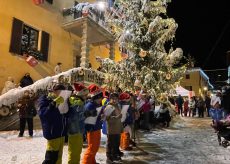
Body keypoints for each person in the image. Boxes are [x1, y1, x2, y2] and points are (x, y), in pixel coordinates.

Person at [38, 84, 68, 164]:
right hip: (52, 133)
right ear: (54, 91)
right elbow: (43, 114)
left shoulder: (62, 100)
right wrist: (53, 104)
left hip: (61, 133)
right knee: (51, 159)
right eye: (60, 92)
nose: (62, 94)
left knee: (58, 157)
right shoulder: (45, 99)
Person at [67, 83, 89, 164]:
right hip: (75, 130)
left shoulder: (78, 101)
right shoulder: (77, 102)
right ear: (81, 94)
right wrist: (86, 114)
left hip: (77, 130)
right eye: (85, 94)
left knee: (76, 152)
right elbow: (75, 117)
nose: (86, 96)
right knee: (74, 152)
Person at [82, 84, 104, 164]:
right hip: (92, 129)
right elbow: (85, 118)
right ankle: (86, 162)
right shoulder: (89, 105)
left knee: (95, 147)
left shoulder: (97, 104)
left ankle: (91, 161)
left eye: (101, 98)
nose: (101, 99)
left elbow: (97, 116)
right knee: (92, 147)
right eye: (99, 98)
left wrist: (102, 116)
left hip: (97, 127)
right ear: (95, 97)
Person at [104, 93, 123, 163]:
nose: (115, 100)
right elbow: (105, 118)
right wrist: (116, 117)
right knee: (110, 144)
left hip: (117, 128)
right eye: (113, 99)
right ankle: (109, 158)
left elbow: (119, 116)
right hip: (111, 129)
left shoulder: (117, 106)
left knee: (116, 143)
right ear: (110, 99)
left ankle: (114, 155)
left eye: (116, 99)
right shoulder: (109, 107)